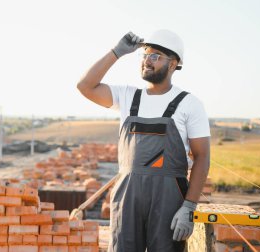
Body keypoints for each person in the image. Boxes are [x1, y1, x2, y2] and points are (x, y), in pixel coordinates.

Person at [77, 30, 210, 252]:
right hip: (128, 196)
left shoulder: (189, 104)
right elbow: (85, 86)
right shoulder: (128, 96)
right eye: (145, 55)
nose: (147, 61)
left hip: (169, 198)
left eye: (156, 56)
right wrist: (116, 52)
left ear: (173, 63)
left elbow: (202, 156)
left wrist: (188, 207)